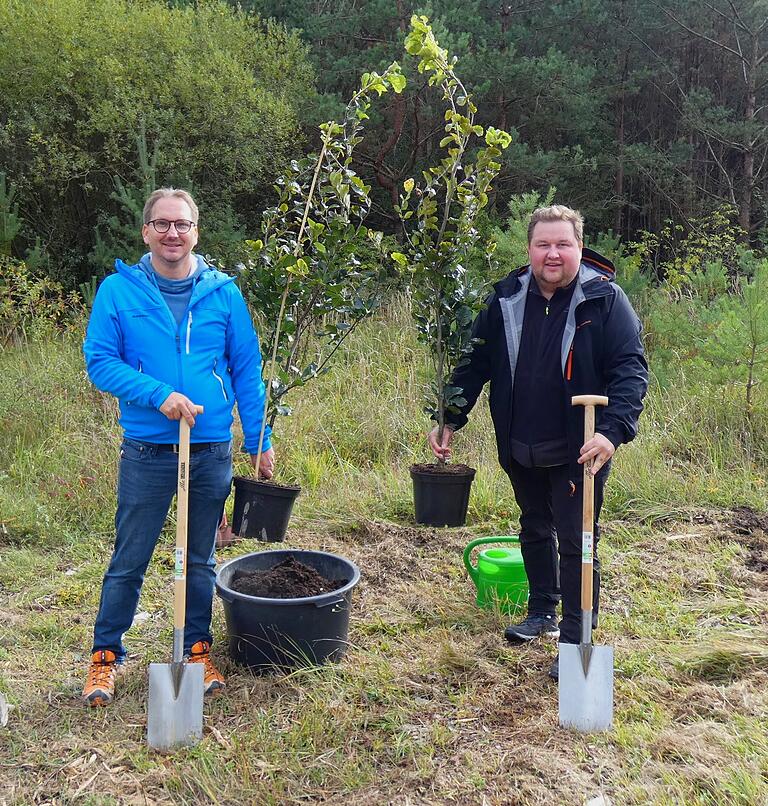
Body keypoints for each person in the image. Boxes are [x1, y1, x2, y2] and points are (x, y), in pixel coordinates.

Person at [428, 205, 648, 680]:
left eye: (563, 244)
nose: (553, 254)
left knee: (576, 538)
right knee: (533, 526)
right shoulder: (505, 298)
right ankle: (542, 610)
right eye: (543, 244)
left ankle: (575, 635)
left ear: (579, 249)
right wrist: (450, 416)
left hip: (580, 446)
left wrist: (611, 433)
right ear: (529, 248)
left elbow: (630, 370)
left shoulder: (605, 300)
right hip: (519, 440)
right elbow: (475, 363)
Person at [81, 188, 275, 706]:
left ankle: (196, 651)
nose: (172, 234)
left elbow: (246, 370)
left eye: (182, 225)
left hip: (209, 448)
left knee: (200, 558)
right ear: (146, 231)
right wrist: (159, 394)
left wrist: (258, 440)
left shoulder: (223, 293)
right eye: (162, 224)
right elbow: (100, 360)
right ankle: (105, 658)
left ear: (196, 232)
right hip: (147, 450)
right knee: (130, 558)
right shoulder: (118, 293)